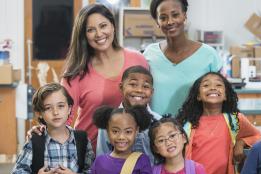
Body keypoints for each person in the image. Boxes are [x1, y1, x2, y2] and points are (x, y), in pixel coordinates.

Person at [176, 72, 261, 174]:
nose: (213, 87)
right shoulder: (186, 122)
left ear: (225, 95)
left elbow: (257, 136)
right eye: (206, 85)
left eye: (218, 84)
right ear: (198, 96)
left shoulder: (235, 120)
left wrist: (241, 143)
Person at [61, 3, 148, 152]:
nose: (99, 34)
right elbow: (63, 117)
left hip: (133, 150)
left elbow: (146, 103)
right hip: (89, 153)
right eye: (91, 30)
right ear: (84, 35)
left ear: (113, 26)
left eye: (103, 26)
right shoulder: (76, 72)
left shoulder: (137, 60)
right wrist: (43, 132)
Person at [144, 0, 223, 115]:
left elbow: (222, 97)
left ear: (184, 16)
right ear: (157, 22)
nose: (170, 22)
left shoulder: (209, 55)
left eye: (175, 15)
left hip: (197, 129)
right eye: (163, 17)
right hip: (158, 130)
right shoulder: (150, 54)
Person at [96, 65, 161, 165]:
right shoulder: (108, 120)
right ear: (121, 87)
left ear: (152, 92)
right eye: (133, 84)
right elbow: (102, 158)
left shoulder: (159, 122)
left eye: (145, 86)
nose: (139, 90)